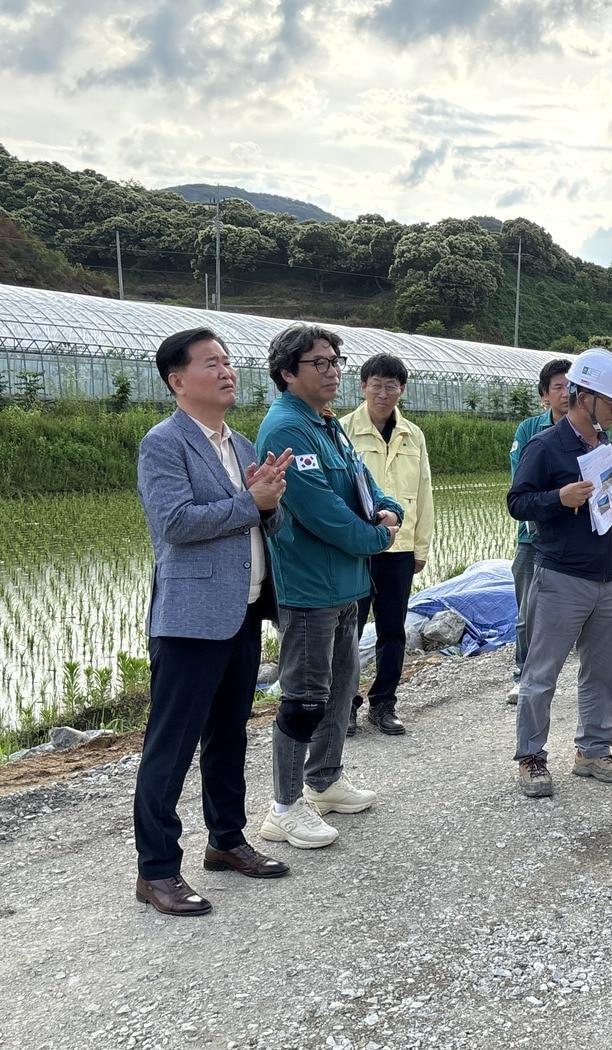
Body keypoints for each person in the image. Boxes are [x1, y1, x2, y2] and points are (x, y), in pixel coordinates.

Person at [133, 328, 294, 916]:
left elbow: (261, 525)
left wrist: (270, 503)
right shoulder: (165, 444)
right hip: (190, 619)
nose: (227, 371)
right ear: (178, 380)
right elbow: (175, 523)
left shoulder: (244, 444)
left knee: (228, 736)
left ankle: (226, 841)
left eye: (228, 362)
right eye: (211, 363)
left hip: (243, 612)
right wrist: (253, 503)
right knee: (170, 747)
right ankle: (156, 871)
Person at [255, 324, 403, 849]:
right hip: (310, 588)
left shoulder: (328, 426)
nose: (333, 370)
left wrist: (392, 510)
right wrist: (379, 536)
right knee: (304, 698)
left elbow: (368, 487)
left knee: (341, 690)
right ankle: (283, 807)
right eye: (319, 362)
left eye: (336, 360)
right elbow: (324, 515)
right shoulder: (285, 431)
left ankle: (325, 779)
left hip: (347, 584)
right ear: (287, 371)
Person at [507, 348, 612, 799]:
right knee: (541, 672)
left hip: (609, 576)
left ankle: (593, 750)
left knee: (602, 671)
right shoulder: (545, 447)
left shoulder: (610, 449)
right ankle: (531, 756)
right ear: (583, 396)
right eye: (610, 399)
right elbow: (517, 502)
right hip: (561, 576)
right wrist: (557, 499)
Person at [343, 353, 434, 737]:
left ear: (402, 389)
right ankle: (345, 705)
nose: (383, 392)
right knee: (348, 631)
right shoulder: (343, 431)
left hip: (399, 551)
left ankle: (384, 704)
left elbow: (424, 492)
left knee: (393, 630)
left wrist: (421, 548)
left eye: (391, 385)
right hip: (358, 549)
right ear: (363, 386)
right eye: (376, 384)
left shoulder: (413, 435)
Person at [506, 358, 572, 703]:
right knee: (526, 613)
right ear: (544, 395)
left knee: (571, 610)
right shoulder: (529, 430)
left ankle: (552, 671)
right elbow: (522, 485)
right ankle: (523, 673)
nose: (566, 393)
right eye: (558, 387)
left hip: (572, 537)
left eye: (571, 386)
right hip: (532, 537)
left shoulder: (591, 430)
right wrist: (559, 495)